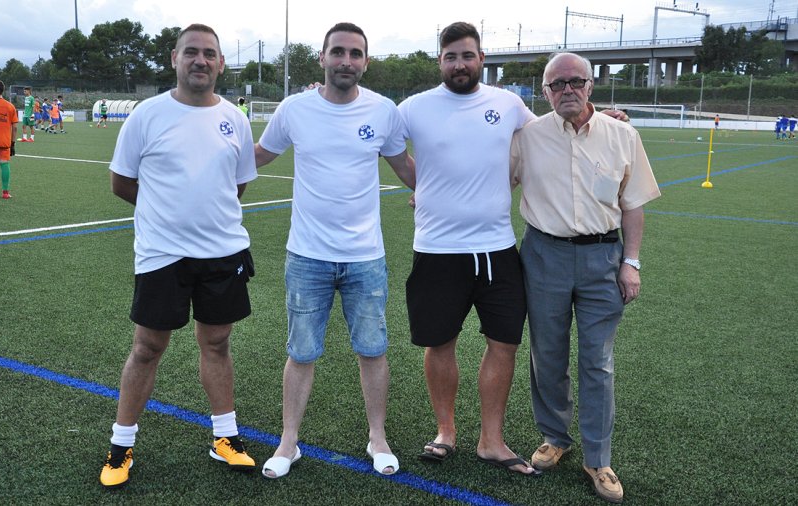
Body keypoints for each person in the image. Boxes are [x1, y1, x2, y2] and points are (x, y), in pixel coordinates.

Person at [99, 23, 259, 489]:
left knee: (217, 343)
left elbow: (237, 184)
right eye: (192, 52)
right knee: (147, 348)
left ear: (221, 64)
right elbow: (121, 182)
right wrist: (164, 214)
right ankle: (120, 445)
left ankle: (225, 438)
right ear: (174, 58)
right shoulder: (146, 115)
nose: (200, 61)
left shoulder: (236, 118)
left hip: (222, 252)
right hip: (162, 255)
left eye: (210, 54)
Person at [254, 22, 415, 480]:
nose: (347, 60)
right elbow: (260, 155)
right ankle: (289, 442)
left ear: (365, 61)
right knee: (301, 352)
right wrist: (208, 169)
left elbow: (404, 165)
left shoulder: (384, 112)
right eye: (338, 52)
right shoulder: (294, 109)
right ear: (322, 58)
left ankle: (377, 438)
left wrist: (441, 195)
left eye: (355, 53)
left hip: (366, 257)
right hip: (307, 256)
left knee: (373, 349)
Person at [511, 52, 661, 504]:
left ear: (591, 86)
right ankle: (554, 438)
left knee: (598, 361)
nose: (567, 90)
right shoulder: (528, 136)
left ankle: (598, 458)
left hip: (602, 258)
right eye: (557, 84)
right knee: (548, 355)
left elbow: (632, 203)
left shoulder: (623, 134)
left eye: (576, 81)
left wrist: (630, 262)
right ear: (545, 92)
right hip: (543, 256)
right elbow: (489, 180)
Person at [396, 21, 539, 476]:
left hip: (498, 249)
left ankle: (491, 441)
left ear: (482, 59)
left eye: (467, 55)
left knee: (504, 344)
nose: (460, 63)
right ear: (440, 62)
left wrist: (601, 114)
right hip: (437, 250)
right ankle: (446, 431)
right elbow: (383, 143)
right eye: (451, 56)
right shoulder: (414, 108)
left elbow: (550, 138)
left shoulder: (508, 103)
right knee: (439, 343)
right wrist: (423, 185)